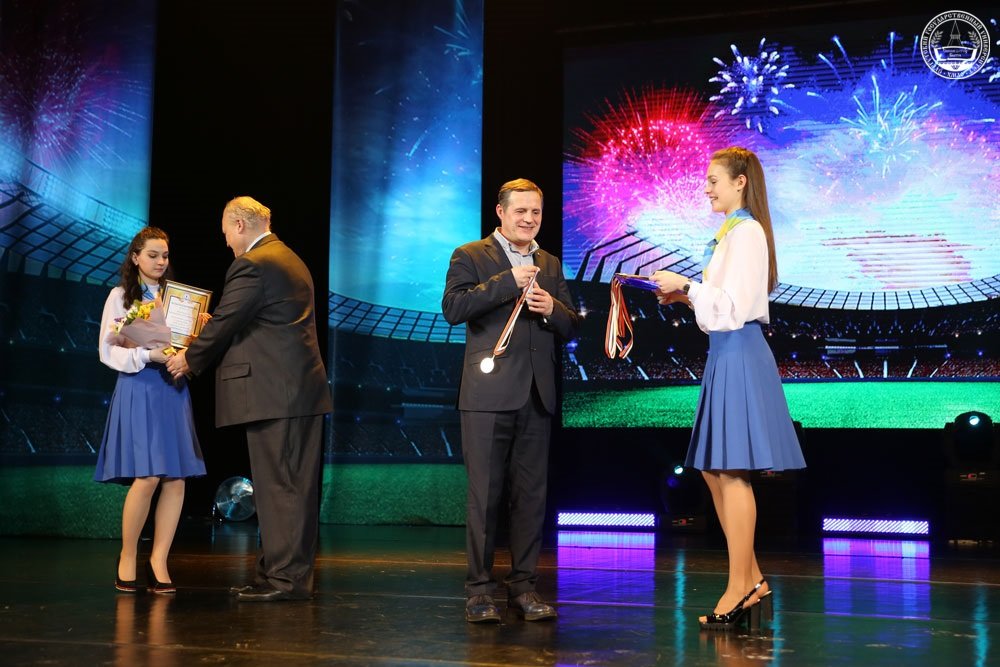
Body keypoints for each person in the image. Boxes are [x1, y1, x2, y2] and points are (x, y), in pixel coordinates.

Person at [651, 146, 806, 631]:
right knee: (713, 471)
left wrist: (687, 286)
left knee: (732, 472)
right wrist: (684, 296)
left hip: (739, 350)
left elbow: (734, 307)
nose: (706, 188)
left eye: (713, 180)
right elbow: (719, 307)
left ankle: (740, 586)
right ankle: (752, 580)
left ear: (740, 182)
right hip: (725, 352)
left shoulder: (747, 232)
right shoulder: (731, 233)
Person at [166, 196, 332, 602]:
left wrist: (189, 357)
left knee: (282, 489)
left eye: (226, 232)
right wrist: (218, 325)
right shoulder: (285, 257)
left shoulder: (254, 264)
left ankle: (285, 581)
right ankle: (275, 574)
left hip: (280, 395)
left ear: (240, 225)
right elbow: (252, 321)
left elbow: (228, 321)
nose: (226, 242)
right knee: (285, 488)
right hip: (291, 393)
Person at [442, 178, 580, 623]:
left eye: (535, 211)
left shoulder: (549, 262)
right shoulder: (471, 254)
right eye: (520, 210)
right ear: (500, 212)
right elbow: (453, 308)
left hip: (536, 395)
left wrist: (551, 309)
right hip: (487, 395)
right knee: (484, 498)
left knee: (530, 498)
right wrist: (506, 283)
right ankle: (479, 593)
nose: (529, 219)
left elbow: (571, 323)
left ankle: (523, 588)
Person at [96, 226, 206, 594]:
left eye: (165, 255)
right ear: (135, 257)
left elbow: (185, 346)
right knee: (148, 476)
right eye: (153, 255)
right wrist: (147, 354)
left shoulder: (176, 298)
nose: (161, 261)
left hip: (172, 387)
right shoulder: (120, 297)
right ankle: (128, 555)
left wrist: (198, 335)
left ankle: (159, 559)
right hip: (140, 385)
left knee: (176, 477)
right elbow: (108, 349)